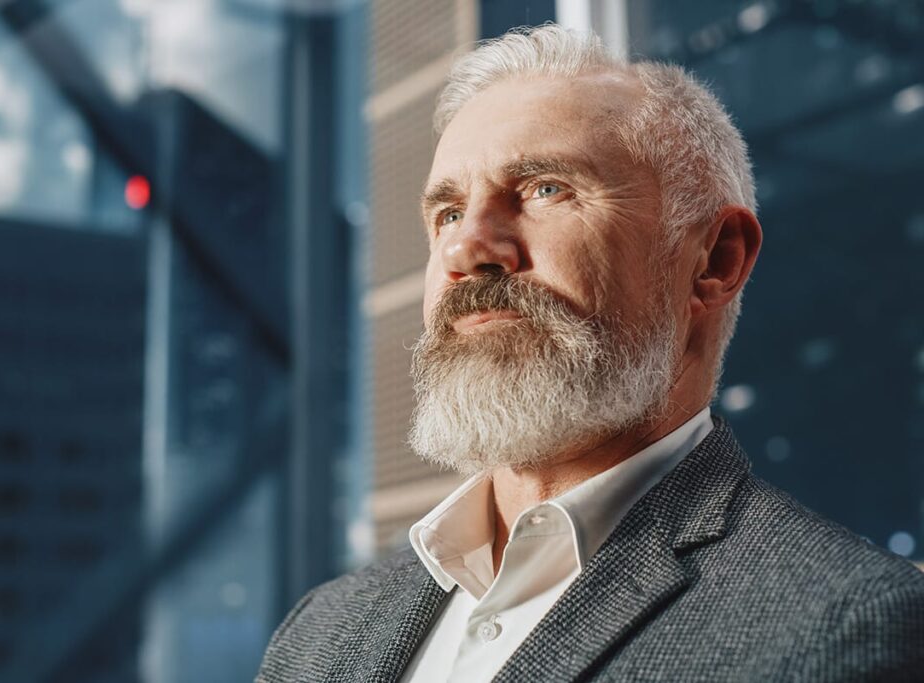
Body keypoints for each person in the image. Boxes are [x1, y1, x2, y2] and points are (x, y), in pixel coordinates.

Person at [257, 24, 924, 682]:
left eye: (546, 189)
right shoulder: (319, 631)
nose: (466, 249)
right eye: (450, 212)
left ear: (712, 261)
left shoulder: (848, 626)